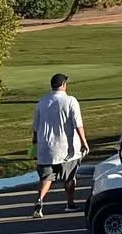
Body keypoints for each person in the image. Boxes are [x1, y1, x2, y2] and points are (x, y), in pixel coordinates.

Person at [31, 73, 87, 218]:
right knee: (69, 178)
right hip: (66, 148)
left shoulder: (42, 102)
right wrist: (84, 142)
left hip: (45, 148)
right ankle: (70, 203)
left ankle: (40, 200)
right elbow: (78, 124)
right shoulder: (71, 100)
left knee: (46, 179)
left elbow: (35, 127)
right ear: (63, 85)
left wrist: (35, 144)